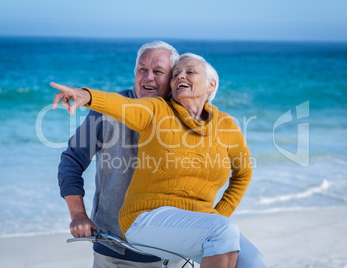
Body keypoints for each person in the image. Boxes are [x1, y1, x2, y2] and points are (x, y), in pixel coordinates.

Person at [52, 53, 266, 267]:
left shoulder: (226, 125)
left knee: (253, 259)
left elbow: (243, 172)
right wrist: (87, 96)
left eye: (189, 72)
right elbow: (121, 105)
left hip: (188, 233)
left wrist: (219, 214)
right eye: (177, 74)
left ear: (211, 84)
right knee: (223, 230)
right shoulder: (156, 109)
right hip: (135, 228)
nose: (181, 76)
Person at [57, 41, 189, 268]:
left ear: (173, 78)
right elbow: (72, 160)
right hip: (113, 250)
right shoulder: (105, 111)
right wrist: (78, 214)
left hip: (172, 253)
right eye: (142, 69)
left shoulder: (186, 115)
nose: (148, 77)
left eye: (158, 71)